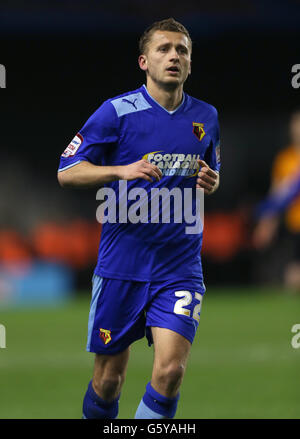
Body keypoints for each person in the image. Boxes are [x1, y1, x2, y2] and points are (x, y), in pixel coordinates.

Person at [57, 17, 220, 419]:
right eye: (164, 49)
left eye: (182, 50)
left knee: (170, 371)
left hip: (179, 266)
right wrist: (120, 170)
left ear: (190, 63)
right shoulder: (115, 112)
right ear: (144, 61)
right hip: (121, 264)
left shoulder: (206, 117)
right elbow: (66, 171)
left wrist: (211, 182)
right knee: (109, 380)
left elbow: (209, 175)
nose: (174, 56)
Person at [253, 109, 300, 290]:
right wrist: (266, 224)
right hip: (294, 226)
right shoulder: (285, 159)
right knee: (293, 276)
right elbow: (277, 195)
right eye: (295, 124)